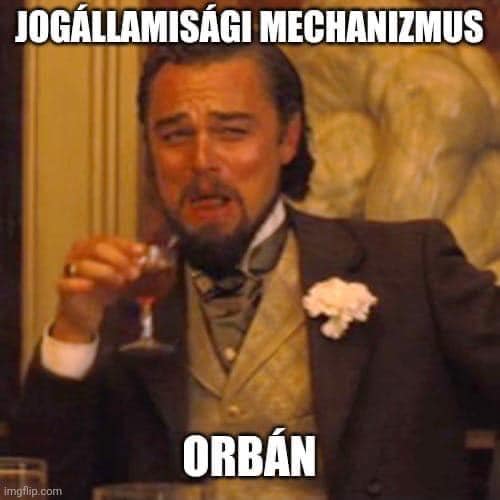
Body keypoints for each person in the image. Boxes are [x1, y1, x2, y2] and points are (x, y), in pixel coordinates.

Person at [11, 42, 500, 500]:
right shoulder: (120, 311)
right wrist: (72, 332)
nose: (202, 161)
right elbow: (32, 492)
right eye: (175, 135)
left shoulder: (408, 268)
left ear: (287, 138)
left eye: (232, 131)